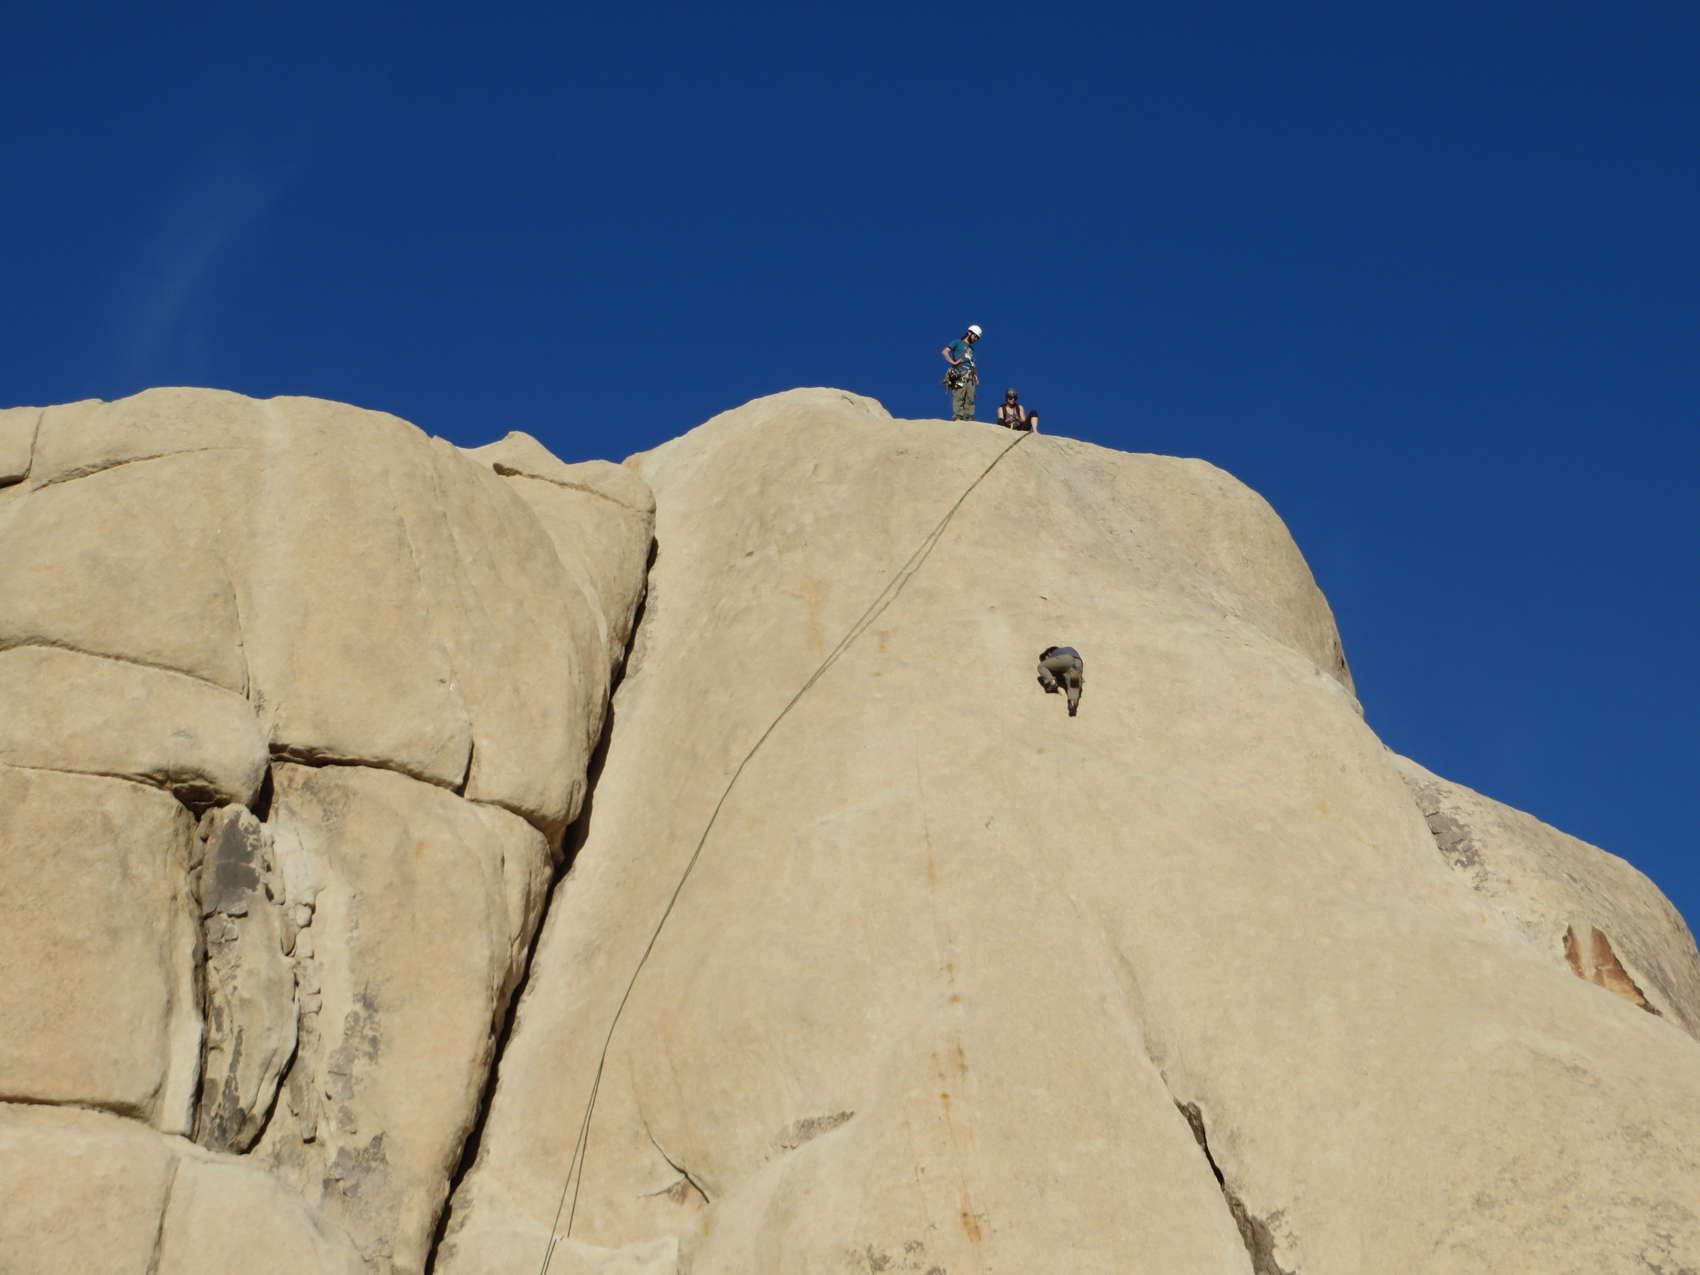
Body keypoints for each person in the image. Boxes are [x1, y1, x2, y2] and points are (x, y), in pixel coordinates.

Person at [940, 324, 982, 420]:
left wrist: (976, 376)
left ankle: (969, 417)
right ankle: (958, 416)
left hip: (970, 375)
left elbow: (973, 364)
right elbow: (945, 352)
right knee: (959, 396)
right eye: (975, 336)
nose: (975, 339)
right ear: (969, 333)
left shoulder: (971, 349)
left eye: (977, 338)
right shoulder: (957, 342)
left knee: (970, 397)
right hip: (959, 373)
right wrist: (953, 362)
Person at [1036, 645, 1084, 717]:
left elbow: (1055, 667)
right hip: (1078, 664)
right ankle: (1073, 703)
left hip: (1066, 659)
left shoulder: (1054, 653)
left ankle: (1052, 683)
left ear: (1048, 654)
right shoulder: (1068, 649)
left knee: (1041, 666)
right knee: (1073, 686)